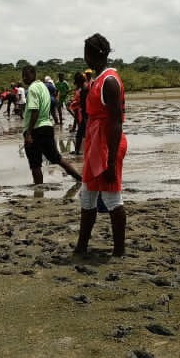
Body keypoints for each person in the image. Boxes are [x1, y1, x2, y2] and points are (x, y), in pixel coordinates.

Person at [75, 33, 129, 257]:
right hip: (96, 144)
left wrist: (110, 160)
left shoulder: (109, 81)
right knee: (87, 195)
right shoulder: (98, 79)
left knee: (111, 197)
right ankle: (81, 246)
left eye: (85, 52)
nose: (84, 57)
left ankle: (119, 250)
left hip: (108, 146)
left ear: (92, 55)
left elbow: (116, 122)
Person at [22, 66, 82, 185]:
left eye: (26, 75)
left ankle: (38, 190)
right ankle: (80, 179)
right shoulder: (43, 87)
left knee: (35, 164)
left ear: (33, 75)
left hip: (35, 130)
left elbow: (35, 111)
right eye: (23, 75)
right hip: (47, 127)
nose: (24, 78)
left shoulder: (32, 89)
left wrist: (28, 133)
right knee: (56, 158)